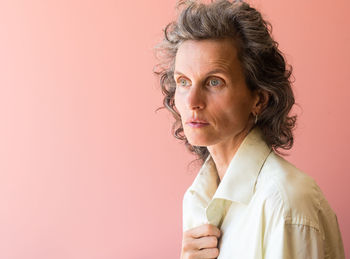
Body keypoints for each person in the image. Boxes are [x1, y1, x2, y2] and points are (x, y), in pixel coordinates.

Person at [153, 0, 345, 258]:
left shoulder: (285, 203)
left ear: (259, 98)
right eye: (184, 81)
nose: (192, 102)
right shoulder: (197, 198)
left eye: (214, 82)